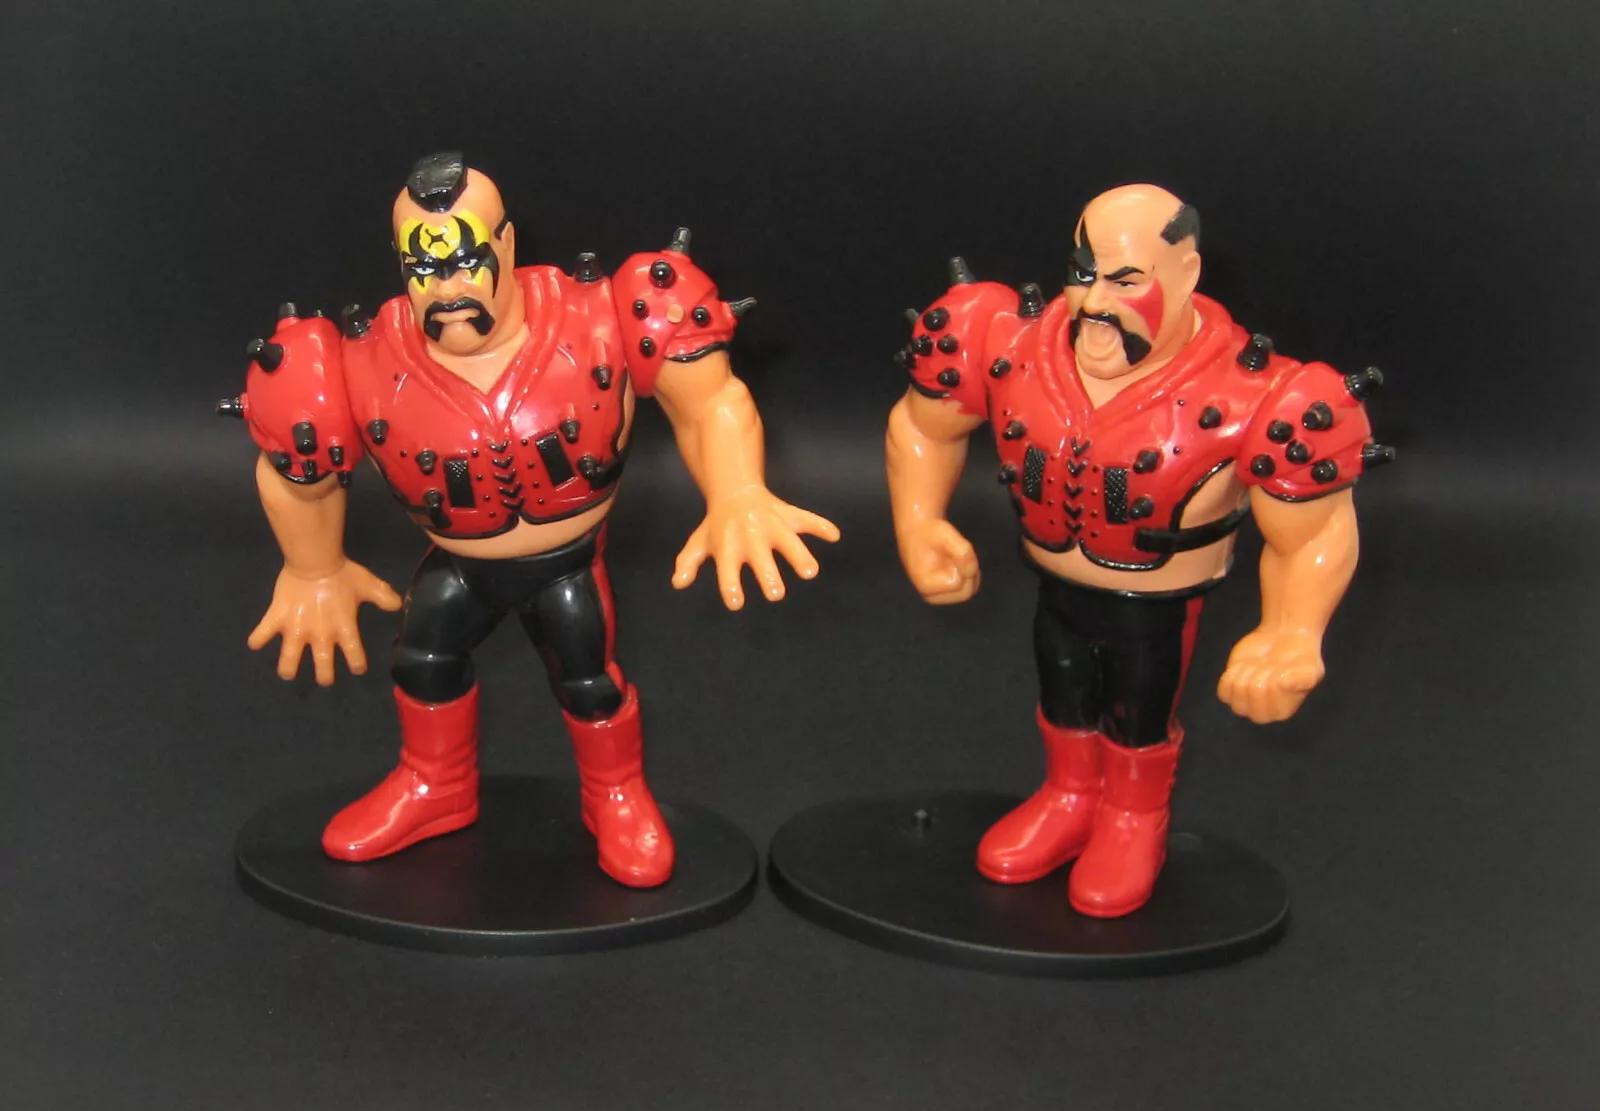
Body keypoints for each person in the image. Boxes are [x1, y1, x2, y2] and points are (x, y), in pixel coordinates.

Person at [221, 152, 838, 888]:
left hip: (566, 564)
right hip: (459, 565)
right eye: (423, 270)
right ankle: (436, 785)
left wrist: (736, 492)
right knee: (421, 662)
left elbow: (710, 403)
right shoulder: (357, 360)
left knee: (588, 680)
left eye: (465, 261)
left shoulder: (605, 315)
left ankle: (615, 793)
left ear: (507, 244)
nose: (447, 289)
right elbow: (299, 476)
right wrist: (313, 567)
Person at [885, 183, 1390, 917]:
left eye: (1127, 280)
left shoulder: (1263, 397)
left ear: (1187, 275)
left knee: (1139, 707)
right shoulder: (1003, 343)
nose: (1095, 302)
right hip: (1055, 585)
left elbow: (1313, 531)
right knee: (1063, 686)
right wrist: (919, 518)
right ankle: (1069, 794)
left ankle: (1133, 815)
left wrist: (1292, 630)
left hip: (1158, 607)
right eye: (1083, 273)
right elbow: (923, 426)